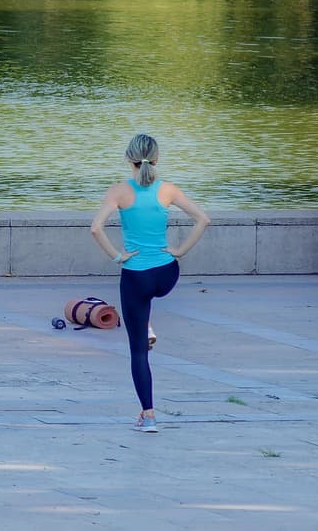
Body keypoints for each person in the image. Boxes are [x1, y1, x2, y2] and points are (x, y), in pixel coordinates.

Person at [90, 134, 210, 433]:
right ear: (156, 158)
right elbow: (203, 220)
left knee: (138, 352)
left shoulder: (119, 192)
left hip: (136, 276)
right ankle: (147, 324)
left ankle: (149, 416)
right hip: (167, 274)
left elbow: (95, 229)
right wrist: (180, 251)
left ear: (128, 158)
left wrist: (118, 256)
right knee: (147, 304)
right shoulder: (167, 190)